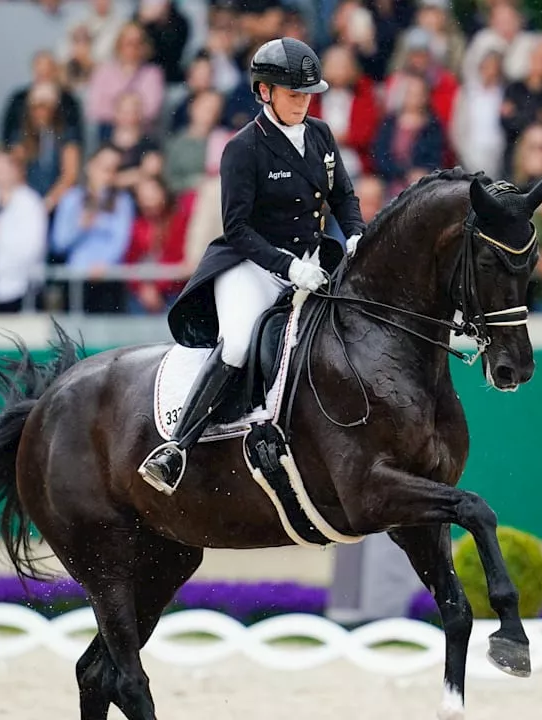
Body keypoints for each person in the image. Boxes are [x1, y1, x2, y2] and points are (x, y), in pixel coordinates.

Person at [138, 36, 365, 494]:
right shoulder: (243, 148)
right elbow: (238, 228)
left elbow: (342, 194)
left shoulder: (320, 134)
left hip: (311, 260)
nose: (303, 102)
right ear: (265, 92)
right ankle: (178, 447)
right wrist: (287, 266)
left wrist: (357, 232)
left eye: (307, 94)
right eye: (293, 94)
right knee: (240, 342)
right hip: (252, 265)